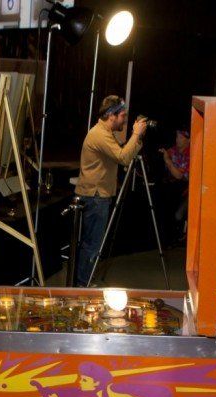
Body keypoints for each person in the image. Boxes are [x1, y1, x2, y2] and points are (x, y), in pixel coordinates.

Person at [73, 95, 147, 287]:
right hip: (96, 196)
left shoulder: (104, 132)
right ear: (111, 115)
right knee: (92, 244)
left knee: (92, 243)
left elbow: (121, 154)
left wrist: (136, 139)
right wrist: (136, 135)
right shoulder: (100, 135)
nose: (124, 119)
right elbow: (123, 157)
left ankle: (84, 282)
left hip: (97, 195)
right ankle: (84, 284)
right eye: (122, 115)